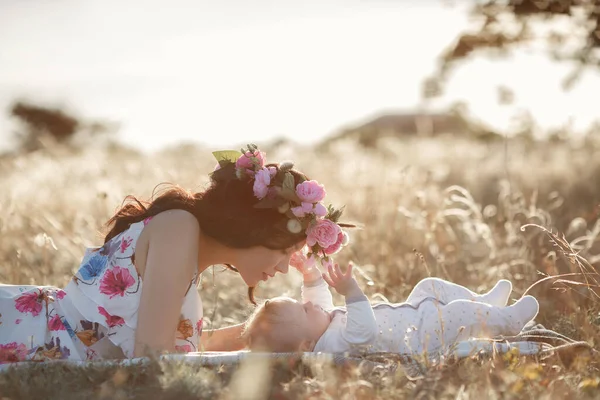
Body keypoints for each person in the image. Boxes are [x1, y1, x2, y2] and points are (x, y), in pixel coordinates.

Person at [0, 145, 351, 363]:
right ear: (257, 230)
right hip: (28, 334)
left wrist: (287, 336)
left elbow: (162, 343)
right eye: (284, 252)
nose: (283, 268)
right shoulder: (179, 229)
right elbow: (150, 361)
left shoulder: (185, 241)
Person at [243, 256, 540, 356]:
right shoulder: (333, 343)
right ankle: (507, 321)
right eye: (304, 310)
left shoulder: (320, 326)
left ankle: (485, 306)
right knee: (457, 312)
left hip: (412, 317)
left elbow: (317, 302)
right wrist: (352, 292)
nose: (310, 305)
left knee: (429, 286)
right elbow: (366, 329)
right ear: (307, 343)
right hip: (421, 339)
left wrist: (310, 274)